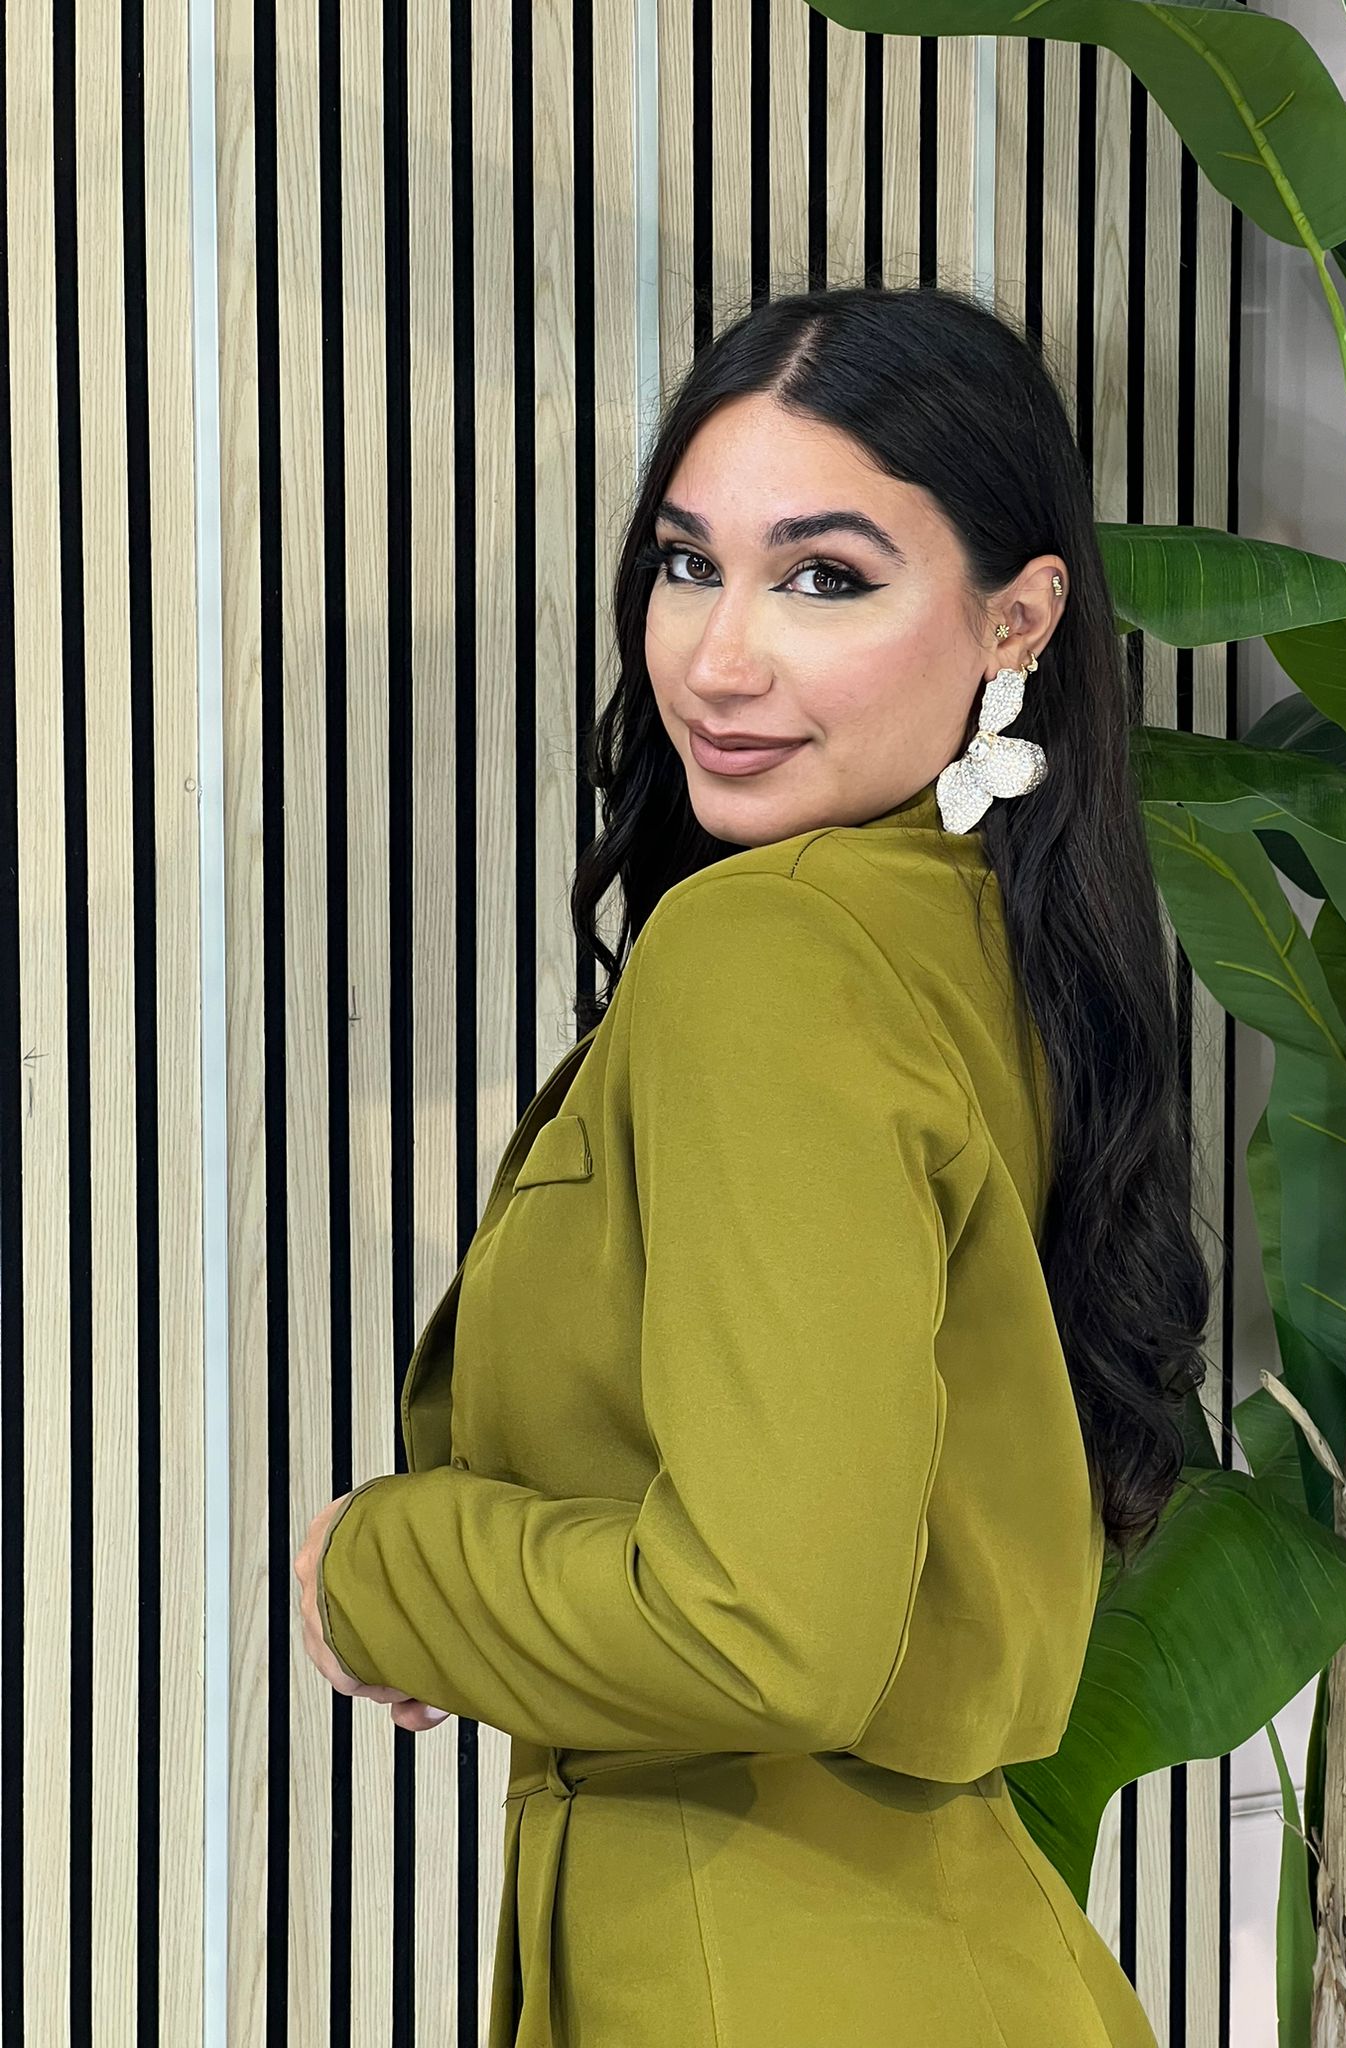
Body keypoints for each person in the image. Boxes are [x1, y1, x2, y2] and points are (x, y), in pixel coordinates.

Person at [293, 283, 1211, 2046]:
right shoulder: (983, 948)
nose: (718, 659)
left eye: (824, 578)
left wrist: (379, 1569)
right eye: (686, 564)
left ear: (1017, 619)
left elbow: (759, 1630)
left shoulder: (773, 953)